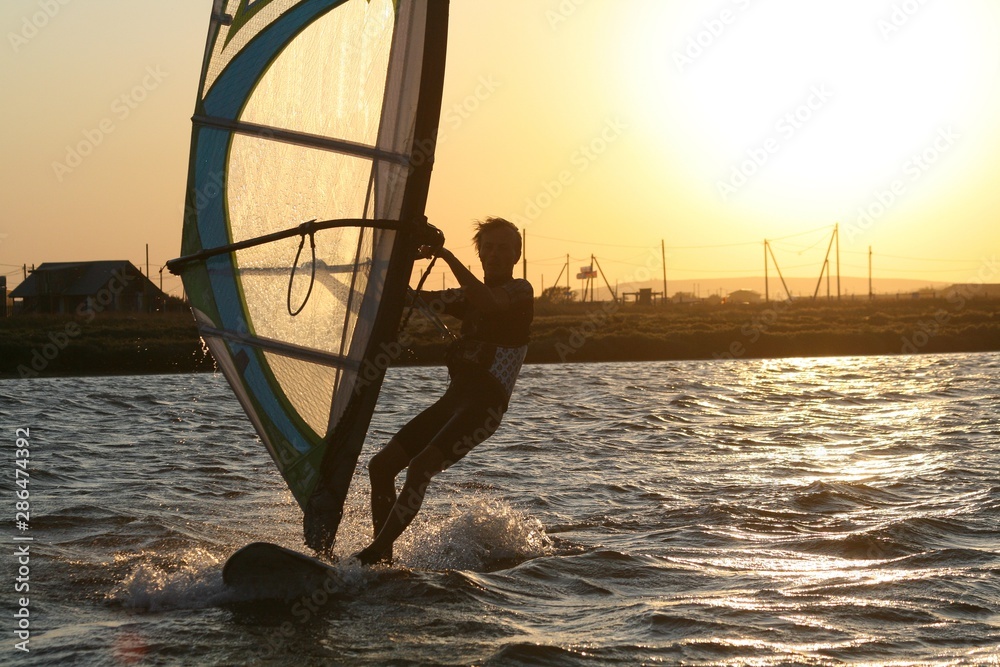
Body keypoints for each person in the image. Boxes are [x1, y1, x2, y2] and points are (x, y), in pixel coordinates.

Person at [353, 217, 533, 565]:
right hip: (451, 403)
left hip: (483, 410)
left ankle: (374, 554)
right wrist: (366, 276)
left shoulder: (520, 291)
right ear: (480, 254)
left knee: (420, 467)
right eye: (489, 248)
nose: (495, 254)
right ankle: (383, 556)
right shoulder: (467, 297)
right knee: (381, 467)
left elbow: (488, 303)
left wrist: (446, 256)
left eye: (504, 248)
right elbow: (407, 298)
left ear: (516, 255)